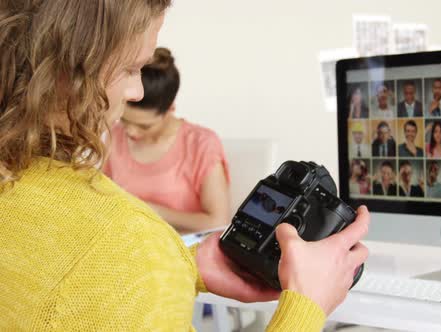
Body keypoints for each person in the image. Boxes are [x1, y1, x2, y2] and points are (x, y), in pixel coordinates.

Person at [0, 1, 370, 330]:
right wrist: (307, 306)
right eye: (130, 68)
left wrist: (175, 266)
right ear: (66, 72)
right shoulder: (127, 240)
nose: (136, 92)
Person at [104, 47, 230, 234]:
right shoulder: (114, 135)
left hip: (182, 252)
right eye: (124, 120)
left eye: (145, 126)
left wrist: (150, 210)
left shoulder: (201, 144)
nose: (130, 131)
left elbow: (218, 221)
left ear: (170, 108)